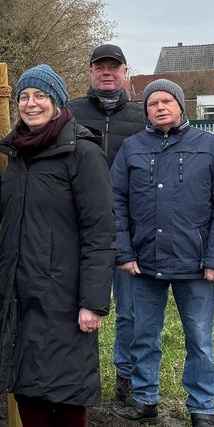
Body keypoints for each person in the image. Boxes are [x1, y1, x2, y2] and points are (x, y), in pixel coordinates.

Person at [0, 63, 114, 427]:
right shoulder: (18, 153)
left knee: (67, 391)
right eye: (24, 97)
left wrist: (93, 301)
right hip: (19, 292)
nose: (30, 104)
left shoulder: (81, 153)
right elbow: (9, 212)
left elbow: (100, 232)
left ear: (57, 102)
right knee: (29, 390)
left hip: (65, 295)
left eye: (39, 96)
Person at [110, 79, 214, 427]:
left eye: (167, 101)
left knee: (199, 339)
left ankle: (202, 410)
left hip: (194, 264)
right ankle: (145, 399)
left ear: (182, 106)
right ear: (146, 110)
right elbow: (115, 203)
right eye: (153, 103)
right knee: (143, 334)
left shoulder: (208, 146)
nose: (160, 107)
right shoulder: (132, 148)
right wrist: (124, 252)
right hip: (144, 263)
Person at [66, 43, 146, 404]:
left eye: (114, 67)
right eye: (100, 67)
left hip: (129, 229)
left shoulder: (141, 116)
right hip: (80, 228)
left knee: (130, 311)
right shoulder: (70, 112)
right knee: (79, 306)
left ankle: (126, 377)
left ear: (125, 72)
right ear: (91, 72)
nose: (107, 72)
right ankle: (79, 376)